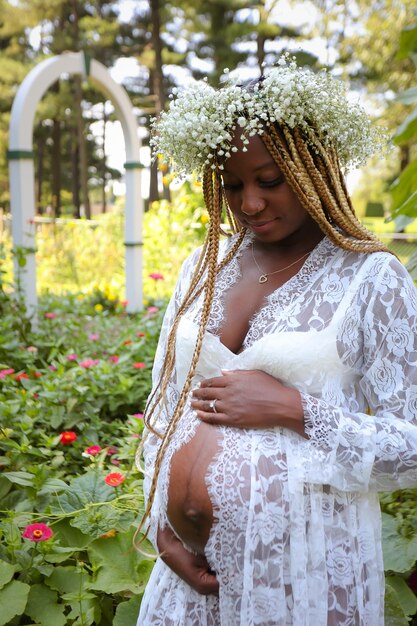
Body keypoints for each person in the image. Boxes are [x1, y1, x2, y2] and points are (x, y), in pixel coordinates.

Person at [136, 56, 417, 625]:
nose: (249, 204)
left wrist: (293, 409)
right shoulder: (202, 268)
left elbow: (412, 449)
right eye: (232, 183)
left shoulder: (371, 278)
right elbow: (164, 410)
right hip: (187, 577)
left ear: (315, 167)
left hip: (301, 570)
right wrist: (161, 529)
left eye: (269, 180)